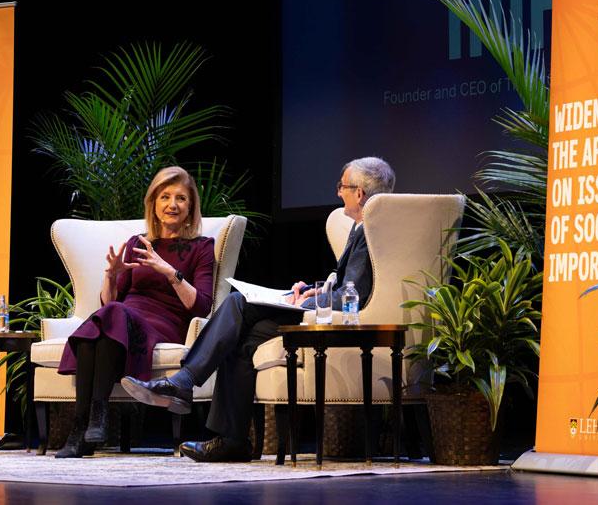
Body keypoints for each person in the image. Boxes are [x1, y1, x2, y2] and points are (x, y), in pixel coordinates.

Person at [122, 156, 395, 462]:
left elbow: (353, 293)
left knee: (238, 302)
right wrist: (312, 290)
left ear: (359, 193)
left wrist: (305, 302)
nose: (338, 192)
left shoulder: (371, 230)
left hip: (338, 321)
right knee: (241, 337)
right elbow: (346, 285)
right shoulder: (362, 228)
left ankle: (185, 383)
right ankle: (232, 441)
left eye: (342, 186)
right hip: (323, 310)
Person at [54, 166, 216, 458]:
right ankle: (86, 426)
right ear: (153, 204)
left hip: (164, 323)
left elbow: (203, 305)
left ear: (191, 206)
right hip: (125, 317)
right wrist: (110, 276)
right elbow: (109, 302)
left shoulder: (202, 247)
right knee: (102, 325)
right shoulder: (137, 244)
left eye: (181, 198)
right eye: (165, 197)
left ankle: (88, 423)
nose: (172, 204)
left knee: (108, 319)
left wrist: (169, 271)